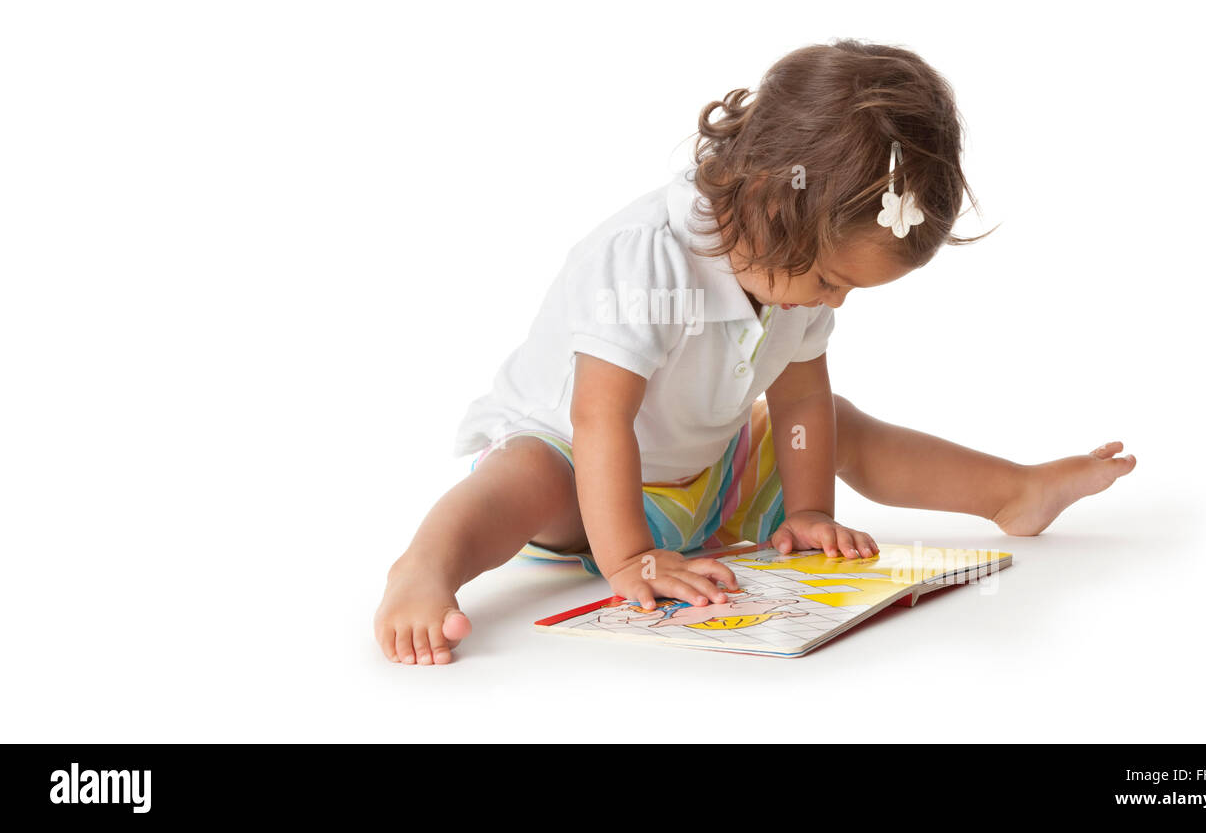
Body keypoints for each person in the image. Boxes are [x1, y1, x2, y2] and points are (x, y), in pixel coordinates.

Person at [374, 39, 1137, 665]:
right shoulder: (644, 256)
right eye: (833, 279)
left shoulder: (791, 270)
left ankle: (1013, 491)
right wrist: (631, 558)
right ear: (774, 204)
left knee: (835, 421)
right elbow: (601, 419)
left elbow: (800, 400)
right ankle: (425, 566)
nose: (835, 302)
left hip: (710, 480)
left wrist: (807, 509)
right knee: (528, 471)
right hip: (587, 481)